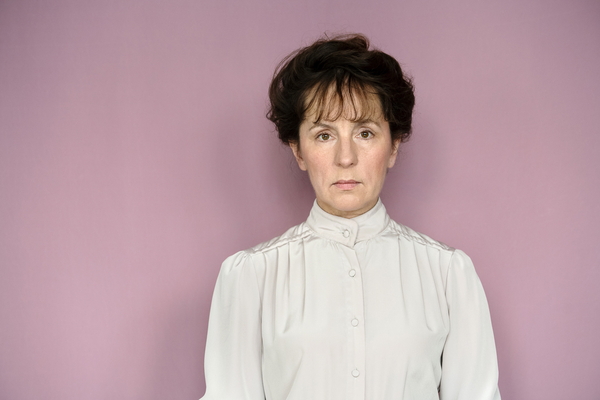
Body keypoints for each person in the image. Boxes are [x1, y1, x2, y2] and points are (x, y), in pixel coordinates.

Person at [199, 34, 501, 400]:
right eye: (324, 135)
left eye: (365, 133)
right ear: (298, 151)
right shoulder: (251, 277)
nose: (346, 158)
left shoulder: (448, 274)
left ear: (393, 145)